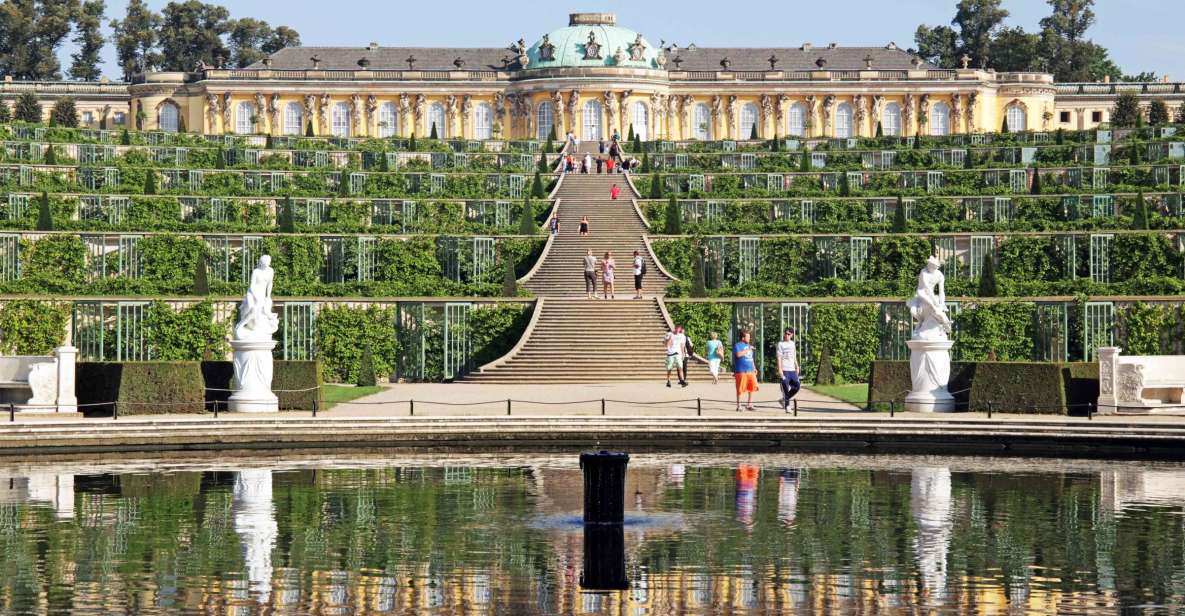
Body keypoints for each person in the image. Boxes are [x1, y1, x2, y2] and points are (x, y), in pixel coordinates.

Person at [733, 330, 759, 411]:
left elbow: (751, 358)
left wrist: (754, 367)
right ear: (743, 337)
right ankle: (739, 405)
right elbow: (738, 355)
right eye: (748, 337)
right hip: (741, 371)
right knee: (740, 389)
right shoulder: (737, 345)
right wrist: (748, 349)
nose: (749, 338)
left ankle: (749, 404)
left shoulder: (749, 346)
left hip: (750, 370)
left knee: (752, 387)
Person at [776, 329, 800, 410]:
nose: (786, 335)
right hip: (785, 369)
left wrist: (797, 366)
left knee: (797, 386)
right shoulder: (780, 344)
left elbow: (794, 356)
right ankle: (787, 406)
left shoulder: (793, 344)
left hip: (792, 369)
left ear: (792, 335)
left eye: (788, 334)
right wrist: (780, 369)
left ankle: (784, 400)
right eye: (785, 333)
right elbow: (779, 357)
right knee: (785, 386)